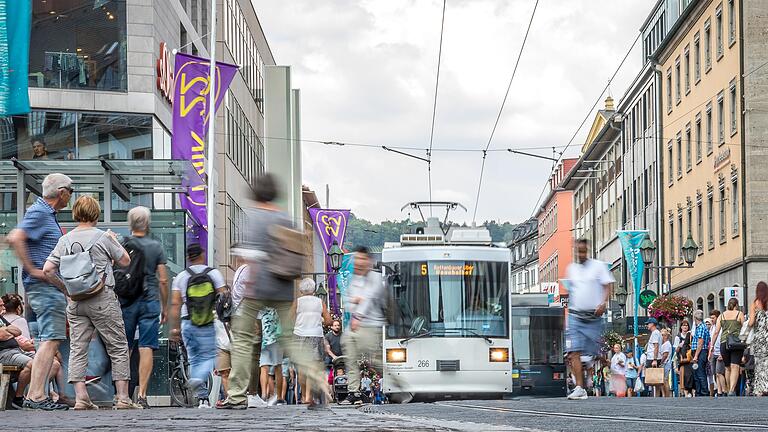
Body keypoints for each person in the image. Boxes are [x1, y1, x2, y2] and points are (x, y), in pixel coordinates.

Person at [220, 174, 328, 410]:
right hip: (283, 286)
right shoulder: (286, 218)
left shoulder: (253, 218)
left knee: (242, 340)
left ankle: (237, 395)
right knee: (288, 339)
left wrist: (250, 284)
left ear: (255, 193)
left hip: (258, 287)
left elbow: (253, 255)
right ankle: (317, 379)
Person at [42, 195, 138, 410]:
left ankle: (81, 397)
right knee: (118, 346)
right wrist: (112, 239)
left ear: (76, 213)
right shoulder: (102, 237)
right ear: (96, 213)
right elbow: (125, 260)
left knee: (78, 347)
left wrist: (66, 290)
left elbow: (48, 270)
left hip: (76, 301)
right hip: (102, 298)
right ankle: (122, 398)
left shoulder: (64, 240)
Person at [7, 173, 73, 411]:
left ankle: (35, 395)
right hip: (44, 287)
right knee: (51, 339)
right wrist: (34, 270)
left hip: (44, 287)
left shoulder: (44, 213)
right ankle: (36, 396)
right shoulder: (41, 212)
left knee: (47, 340)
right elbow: (15, 237)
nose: (71, 197)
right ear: (62, 192)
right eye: (71, 191)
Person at [119, 206, 169, 409]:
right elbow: (163, 280)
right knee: (146, 346)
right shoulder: (156, 247)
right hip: (149, 300)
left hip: (127, 301)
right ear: (147, 224)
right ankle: (142, 394)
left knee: (124, 346)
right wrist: (164, 307)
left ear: (130, 224)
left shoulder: (123, 244)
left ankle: (122, 395)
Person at [168, 243, 227, 408]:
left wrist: (174, 328)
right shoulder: (214, 274)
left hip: (187, 320)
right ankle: (199, 378)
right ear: (202, 254)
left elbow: (175, 303)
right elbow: (224, 298)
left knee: (194, 359)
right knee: (208, 356)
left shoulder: (181, 277)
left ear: (188, 258)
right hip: (208, 321)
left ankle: (202, 399)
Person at [340, 246, 392, 405]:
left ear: (368, 261)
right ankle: (354, 392)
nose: (358, 263)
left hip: (371, 325)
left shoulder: (376, 278)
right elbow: (348, 301)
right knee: (350, 354)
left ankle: (395, 377)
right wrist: (356, 304)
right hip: (355, 327)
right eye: (356, 259)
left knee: (372, 361)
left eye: (362, 259)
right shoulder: (353, 280)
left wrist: (358, 313)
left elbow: (368, 299)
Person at [563, 239, 614, 400]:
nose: (581, 254)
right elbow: (574, 291)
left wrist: (603, 302)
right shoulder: (571, 269)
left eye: (583, 251)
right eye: (578, 251)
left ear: (588, 250)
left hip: (593, 317)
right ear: (575, 251)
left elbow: (607, 286)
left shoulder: (598, 266)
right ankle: (580, 387)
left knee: (593, 352)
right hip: (575, 315)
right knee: (573, 352)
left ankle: (591, 373)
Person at [293, 278, 332, 404]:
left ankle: (304, 396)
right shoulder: (320, 302)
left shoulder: (297, 302)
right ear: (314, 289)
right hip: (315, 335)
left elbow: (289, 319)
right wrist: (323, 322)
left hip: (299, 335)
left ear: (301, 290)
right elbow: (328, 321)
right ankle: (309, 397)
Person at [0, 297, 34, 409]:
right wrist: (7, 331)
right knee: (32, 364)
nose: (3, 308)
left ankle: (34, 396)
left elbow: (17, 331)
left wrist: (7, 330)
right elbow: (2, 336)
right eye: (0, 305)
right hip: (5, 354)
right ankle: (18, 398)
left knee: (51, 363)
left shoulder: (1, 318)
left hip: (17, 351)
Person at [712, 298, 745, 396]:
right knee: (735, 366)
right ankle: (731, 390)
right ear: (736, 305)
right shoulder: (739, 314)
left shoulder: (721, 316)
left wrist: (712, 346)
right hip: (736, 343)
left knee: (727, 368)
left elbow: (716, 332)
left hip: (724, 343)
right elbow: (744, 328)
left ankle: (727, 389)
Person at [749, 281, 768, 396]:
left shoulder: (755, 303)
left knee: (759, 364)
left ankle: (760, 389)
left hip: (760, 337)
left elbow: (751, 322)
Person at [690, 309, 710, 397]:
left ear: (695, 317)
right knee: (696, 372)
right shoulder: (700, 327)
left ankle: (704, 392)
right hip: (699, 351)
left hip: (700, 352)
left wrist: (696, 356)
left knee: (700, 372)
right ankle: (699, 392)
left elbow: (700, 342)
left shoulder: (701, 327)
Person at [708, 310, 726, 397]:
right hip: (714, 352)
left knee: (719, 372)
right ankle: (719, 391)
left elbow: (723, 340)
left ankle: (724, 390)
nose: (712, 320)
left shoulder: (721, 327)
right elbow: (711, 341)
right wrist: (710, 352)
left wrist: (722, 353)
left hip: (720, 352)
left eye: (713, 318)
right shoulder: (712, 328)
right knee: (715, 373)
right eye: (711, 318)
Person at [675, 319, 694, 397]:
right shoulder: (678, 337)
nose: (685, 327)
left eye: (686, 325)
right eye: (683, 325)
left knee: (691, 374)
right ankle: (685, 392)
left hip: (690, 358)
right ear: (681, 327)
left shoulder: (691, 335)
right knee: (684, 375)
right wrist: (679, 346)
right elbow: (676, 350)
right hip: (682, 359)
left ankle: (692, 391)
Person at [644, 318, 663, 396]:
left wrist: (654, 359)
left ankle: (656, 394)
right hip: (653, 357)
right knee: (655, 378)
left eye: (648, 324)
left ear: (652, 324)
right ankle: (656, 394)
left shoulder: (655, 333)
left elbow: (656, 346)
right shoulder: (656, 333)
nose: (647, 325)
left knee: (653, 377)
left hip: (652, 357)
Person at [660, 328, 673, 397]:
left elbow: (665, 355)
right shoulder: (664, 344)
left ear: (665, 336)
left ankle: (667, 395)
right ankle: (664, 394)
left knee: (665, 380)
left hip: (665, 363)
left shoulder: (667, 344)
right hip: (664, 363)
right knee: (662, 380)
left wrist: (660, 362)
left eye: (662, 335)